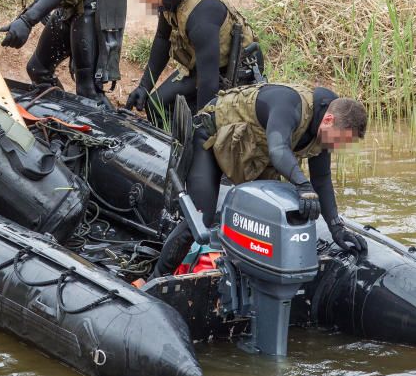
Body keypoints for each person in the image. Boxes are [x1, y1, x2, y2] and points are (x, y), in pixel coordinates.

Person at [150, 83, 369, 278]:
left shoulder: (325, 131)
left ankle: (244, 276)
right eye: (341, 140)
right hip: (209, 137)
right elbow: (278, 149)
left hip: (251, 152)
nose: (339, 147)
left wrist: (336, 228)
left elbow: (321, 180)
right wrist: (302, 185)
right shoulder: (290, 105)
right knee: (200, 219)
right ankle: (157, 277)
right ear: (329, 120)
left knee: (272, 216)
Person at [124, 0, 255, 122]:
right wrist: (144, 86)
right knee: (156, 107)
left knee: (194, 121)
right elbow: (162, 40)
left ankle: (188, 144)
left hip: (232, 73)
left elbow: (209, 80)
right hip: (202, 66)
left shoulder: (200, 14)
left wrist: (202, 124)